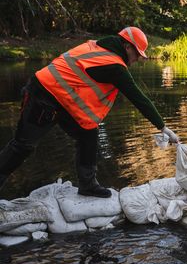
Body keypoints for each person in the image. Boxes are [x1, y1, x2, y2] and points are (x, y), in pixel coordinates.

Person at [0, 27, 178, 198]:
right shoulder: (114, 66)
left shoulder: (96, 45)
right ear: (127, 46)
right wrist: (163, 128)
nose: (138, 58)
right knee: (22, 146)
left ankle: (88, 185)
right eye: (137, 54)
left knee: (89, 131)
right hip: (43, 96)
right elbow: (139, 98)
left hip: (62, 99)